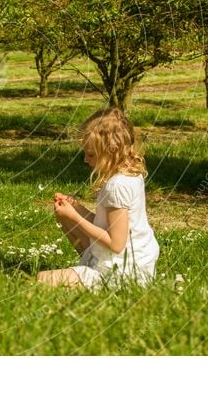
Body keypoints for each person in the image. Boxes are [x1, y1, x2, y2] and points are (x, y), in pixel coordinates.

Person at [37, 107, 159, 289]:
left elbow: (116, 244)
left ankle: (95, 278)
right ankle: (88, 269)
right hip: (137, 261)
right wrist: (76, 208)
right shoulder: (129, 176)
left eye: (91, 154)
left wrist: (75, 217)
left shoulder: (117, 187)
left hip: (122, 270)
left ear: (111, 151)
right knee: (64, 217)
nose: (86, 159)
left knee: (41, 279)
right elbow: (107, 226)